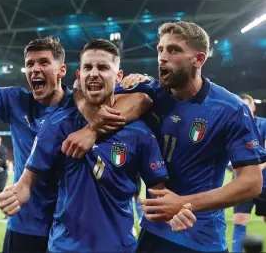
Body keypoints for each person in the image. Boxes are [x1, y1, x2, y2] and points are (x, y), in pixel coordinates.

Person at [0, 12, 153, 253]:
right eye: (29, 64)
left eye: (44, 62)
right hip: (24, 223)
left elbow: (141, 99)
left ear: (61, 71)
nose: (35, 69)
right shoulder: (15, 101)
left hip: (68, 229)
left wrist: (92, 126)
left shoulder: (82, 103)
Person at [0, 39, 197, 252]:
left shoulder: (141, 133)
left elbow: (159, 192)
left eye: (103, 67)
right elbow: (26, 183)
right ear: (79, 76)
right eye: (87, 67)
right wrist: (15, 193)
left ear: (118, 77)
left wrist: (175, 211)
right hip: (64, 248)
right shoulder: (56, 125)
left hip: (119, 247)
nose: (94, 73)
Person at [111, 21, 265, 252]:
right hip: (154, 230)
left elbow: (252, 183)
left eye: (174, 50)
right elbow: (85, 98)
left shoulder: (229, 108)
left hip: (201, 239)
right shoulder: (152, 92)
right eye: (160, 49)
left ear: (199, 59)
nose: (162, 57)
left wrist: (184, 203)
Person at [232, 94, 266, 252]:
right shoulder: (233, 126)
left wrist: (250, 171)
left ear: (253, 107)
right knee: (239, 220)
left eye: (246, 105)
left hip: (264, 182)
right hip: (241, 183)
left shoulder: (264, 124)